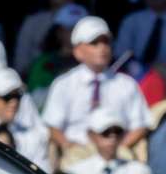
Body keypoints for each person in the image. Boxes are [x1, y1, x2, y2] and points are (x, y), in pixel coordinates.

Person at [39, 15, 150, 154]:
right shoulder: (64, 84)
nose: (102, 48)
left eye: (106, 42)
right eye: (94, 43)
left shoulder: (127, 84)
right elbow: (52, 125)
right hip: (75, 157)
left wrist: (120, 149)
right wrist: (69, 147)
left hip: (118, 156)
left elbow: (140, 125)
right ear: (78, 51)